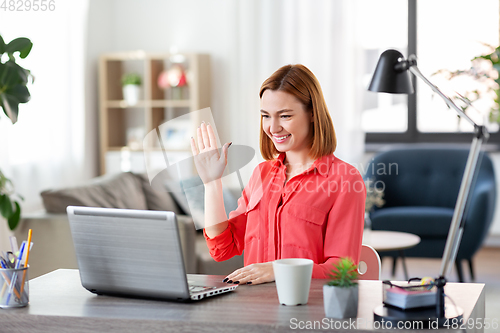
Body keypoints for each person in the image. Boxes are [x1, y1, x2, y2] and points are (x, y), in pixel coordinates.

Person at [190, 64, 365, 285]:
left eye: (285, 116)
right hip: (254, 306)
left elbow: (343, 271)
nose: (273, 128)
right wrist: (211, 183)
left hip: (307, 310)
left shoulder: (345, 180)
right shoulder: (261, 174)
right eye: (266, 116)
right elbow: (222, 249)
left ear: (312, 113)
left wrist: (280, 270)